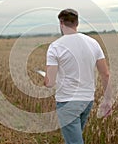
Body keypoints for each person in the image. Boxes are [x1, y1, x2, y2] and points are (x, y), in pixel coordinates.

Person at [44, 8, 112, 144]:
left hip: (67, 102)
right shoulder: (93, 43)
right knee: (74, 139)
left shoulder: (55, 47)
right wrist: (108, 100)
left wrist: (46, 80)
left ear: (61, 23)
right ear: (77, 23)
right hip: (87, 100)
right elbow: (105, 74)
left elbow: (50, 83)